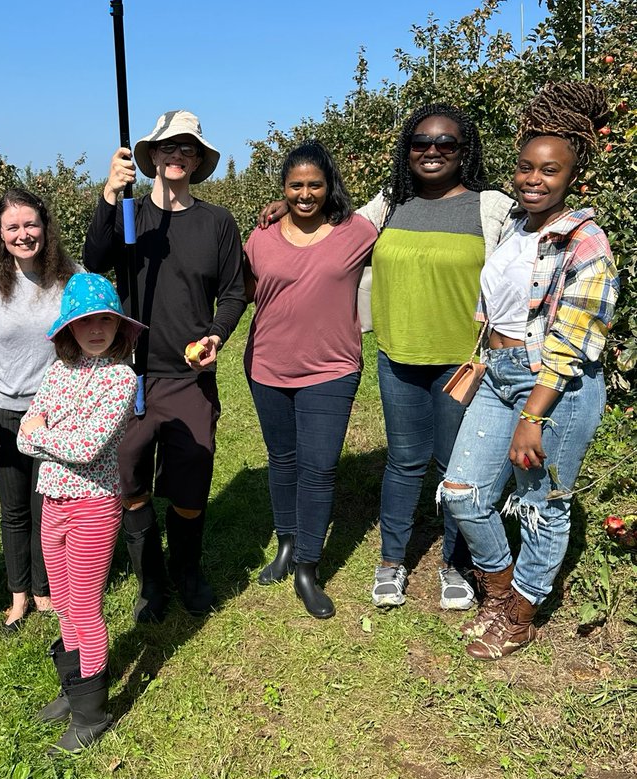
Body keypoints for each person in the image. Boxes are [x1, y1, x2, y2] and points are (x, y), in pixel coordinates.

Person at [262, 107, 514, 612]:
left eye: (447, 143)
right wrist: (283, 207)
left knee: (453, 465)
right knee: (404, 461)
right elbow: (329, 223)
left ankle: (453, 564)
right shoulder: (390, 204)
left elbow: (522, 262)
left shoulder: (491, 208)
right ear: (408, 149)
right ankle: (392, 561)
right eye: (422, 141)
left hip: (460, 361)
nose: (433, 150)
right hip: (398, 355)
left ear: (466, 151)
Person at [440, 82, 618, 659]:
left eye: (549, 170)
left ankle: (521, 612)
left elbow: (571, 339)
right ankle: (501, 584)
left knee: (542, 504)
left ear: (572, 177)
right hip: (498, 369)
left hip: (554, 386)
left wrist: (533, 416)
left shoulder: (587, 242)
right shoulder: (513, 225)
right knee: (462, 492)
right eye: (525, 167)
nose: (533, 179)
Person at [83, 110, 247, 622]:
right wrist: (110, 195)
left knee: (191, 481)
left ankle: (187, 571)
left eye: (187, 150)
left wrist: (216, 333)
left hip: (188, 376)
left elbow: (235, 291)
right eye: (167, 149)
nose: (176, 156)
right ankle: (150, 582)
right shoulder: (132, 216)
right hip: (130, 374)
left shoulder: (217, 222)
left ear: (198, 161)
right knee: (130, 480)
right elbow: (95, 258)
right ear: (150, 157)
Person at [244, 141, 377, 618]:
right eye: (295, 186)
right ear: (282, 188)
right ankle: (286, 542)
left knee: (318, 467)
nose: (304, 194)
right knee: (282, 460)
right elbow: (239, 290)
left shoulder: (356, 231)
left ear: (329, 186)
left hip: (332, 367)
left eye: (314, 185)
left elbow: (395, 202)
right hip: (268, 366)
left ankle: (307, 566)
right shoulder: (260, 237)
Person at [17, 272, 142, 753]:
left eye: (105, 320)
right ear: (68, 329)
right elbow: (30, 430)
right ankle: (75, 689)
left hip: (93, 505)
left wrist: (40, 436)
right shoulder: (57, 373)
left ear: (118, 325)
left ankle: (93, 712)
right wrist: (44, 437)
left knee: (86, 609)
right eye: (84, 321)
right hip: (53, 501)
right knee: (65, 605)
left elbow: (87, 447)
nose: (95, 330)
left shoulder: (121, 379)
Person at [0, 188, 76, 631]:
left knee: (49, 504)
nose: (24, 234)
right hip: (5, 410)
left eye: (31, 224)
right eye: (13, 227)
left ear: (45, 226)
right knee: (14, 509)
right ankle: (18, 593)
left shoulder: (68, 274)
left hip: (56, 412)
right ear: (0, 234)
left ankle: (45, 591)